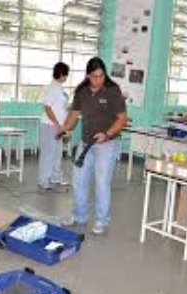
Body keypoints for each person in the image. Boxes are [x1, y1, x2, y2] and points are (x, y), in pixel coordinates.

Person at [62, 57, 128, 235]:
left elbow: (122, 119)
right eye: (94, 76)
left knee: (101, 183)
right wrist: (65, 128)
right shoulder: (81, 91)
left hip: (107, 144)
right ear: (88, 75)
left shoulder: (113, 91)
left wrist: (106, 134)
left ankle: (101, 220)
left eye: (101, 76)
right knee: (78, 181)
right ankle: (79, 216)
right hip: (85, 144)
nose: (98, 80)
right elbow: (74, 115)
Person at [38, 62, 70, 190]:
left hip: (58, 126)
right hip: (49, 125)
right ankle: (43, 180)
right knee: (48, 153)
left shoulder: (60, 87)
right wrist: (57, 124)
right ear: (61, 74)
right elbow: (47, 107)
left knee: (57, 153)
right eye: (66, 74)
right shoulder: (53, 87)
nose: (67, 77)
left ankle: (56, 177)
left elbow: (61, 107)